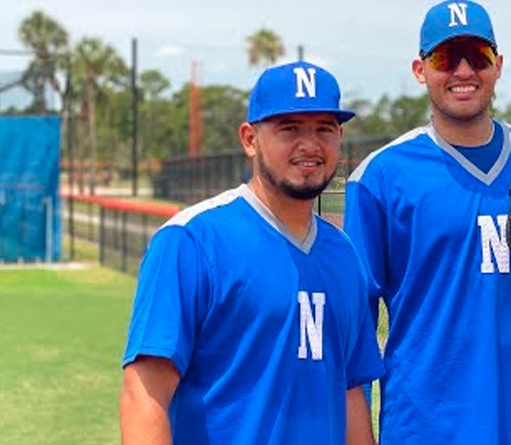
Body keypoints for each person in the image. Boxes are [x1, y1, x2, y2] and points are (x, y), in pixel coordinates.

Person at [343, 1, 511, 444]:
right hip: (427, 428)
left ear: (498, 65)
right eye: (447, 57)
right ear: (420, 69)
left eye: (478, 55)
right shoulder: (381, 176)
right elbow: (353, 334)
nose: (464, 70)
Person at [120, 61, 384, 445]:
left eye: (324, 129)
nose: (309, 145)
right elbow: (144, 393)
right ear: (249, 138)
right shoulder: (192, 240)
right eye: (289, 128)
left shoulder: (344, 255)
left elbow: (350, 394)